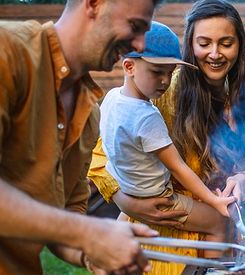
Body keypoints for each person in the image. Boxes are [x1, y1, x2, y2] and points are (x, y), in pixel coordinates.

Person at [88, 0, 245, 273]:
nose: (215, 53)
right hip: (162, 237)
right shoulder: (164, 85)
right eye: (204, 43)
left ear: (239, 45)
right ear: (190, 45)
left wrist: (244, 178)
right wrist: (128, 202)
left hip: (219, 236)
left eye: (226, 43)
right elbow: (102, 156)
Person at [0, 0, 161, 274]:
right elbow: (75, 227)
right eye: (135, 27)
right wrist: (87, 232)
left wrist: (94, 253)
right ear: (94, 3)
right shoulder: (9, 51)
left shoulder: (90, 114)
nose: (140, 46)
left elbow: (67, 213)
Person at [100, 21, 237, 249]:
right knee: (219, 223)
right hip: (160, 199)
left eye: (170, 72)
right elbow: (178, 168)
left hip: (128, 188)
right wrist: (214, 200)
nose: (165, 81)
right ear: (129, 66)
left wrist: (125, 196)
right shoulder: (147, 117)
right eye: (156, 72)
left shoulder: (112, 98)